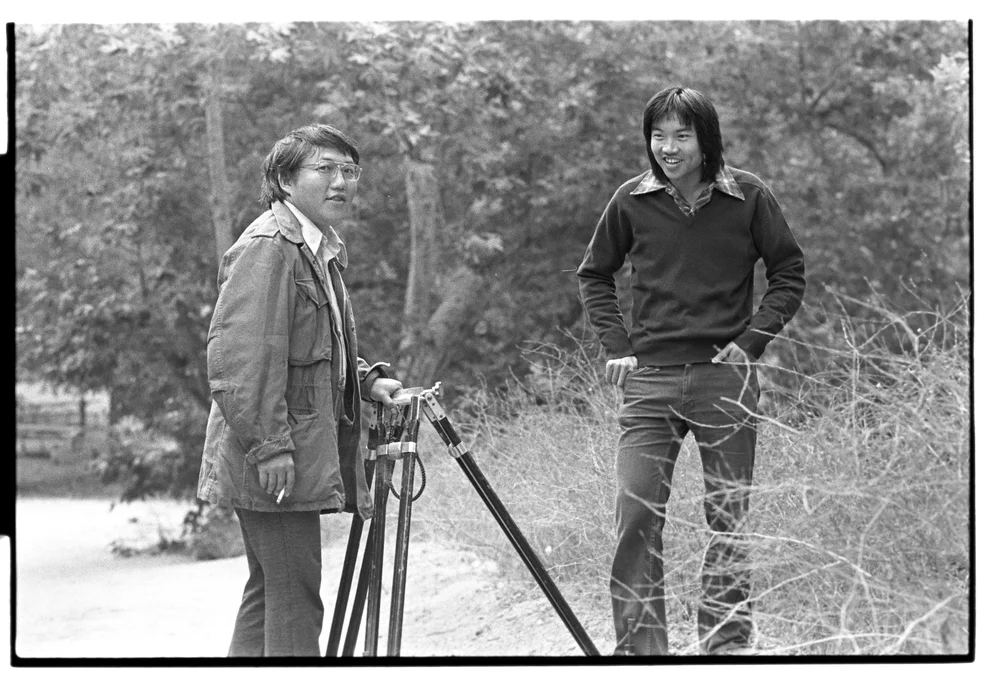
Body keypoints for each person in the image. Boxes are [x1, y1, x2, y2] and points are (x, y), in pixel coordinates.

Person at [577, 86, 806, 656]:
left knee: (729, 514)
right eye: (658, 136)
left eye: (682, 135)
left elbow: (788, 272)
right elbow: (595, 274)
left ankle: (725, 646)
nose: (668, 147)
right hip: (649, 382)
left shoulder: (748, 196)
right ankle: (641, 652)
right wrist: (617, 344)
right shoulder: (631, 199)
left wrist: (752, 342)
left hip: (725, 380)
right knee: (636, 512)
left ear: (707, 140)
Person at [196, 123, 404, 657]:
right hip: (270, 453)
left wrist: (367, 381)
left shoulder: (313, 245)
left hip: (281, 448)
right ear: (286, 181)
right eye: (325, 169)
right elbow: (239, 362)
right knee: (294, 598)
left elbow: (313, 345)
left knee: (271, 592)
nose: (341, 182)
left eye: (349, 171)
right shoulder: (269, 248)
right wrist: (270, 447)